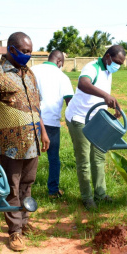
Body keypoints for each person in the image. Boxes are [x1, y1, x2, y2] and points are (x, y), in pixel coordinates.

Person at [0, 32, 50, 251]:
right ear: (11, 50)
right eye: (25, 51)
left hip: (33, 142)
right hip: (9, 146)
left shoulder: (29, 73)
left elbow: (35, 108)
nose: (28, 55)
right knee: (12, 187)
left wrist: (43, 133)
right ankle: (14, 232)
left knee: (27, 184)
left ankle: (24, 222)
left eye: (30, 51)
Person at [65, 45, 126, 210]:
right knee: (84, 159)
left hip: (97, 118)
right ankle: (87, 197)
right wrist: (106, 96)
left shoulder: (108, 71)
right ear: (107, 57)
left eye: (121, 64)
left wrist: (115, 107)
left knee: (99, 156)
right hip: (79, 118)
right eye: (116, 62)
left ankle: (101, 194)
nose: (117, 66)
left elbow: (104, 94)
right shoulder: (92, 67)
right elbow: (83, 84)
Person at [31, 50, 74, 198]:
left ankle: (23, 191)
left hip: (30, 119)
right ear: (60, 62)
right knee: (54, 158)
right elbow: (70, 102)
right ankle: (53, 191)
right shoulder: (62, 77)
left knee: (27, 157)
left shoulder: (32, 70)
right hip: (51, 123)